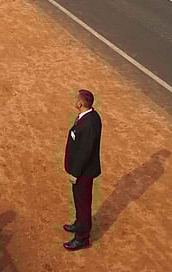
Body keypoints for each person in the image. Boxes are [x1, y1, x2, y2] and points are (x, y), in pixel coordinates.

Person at [63, 88, 101, 251]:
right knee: (79, 201)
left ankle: (82, 238)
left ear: (81, 103)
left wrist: (75, 173)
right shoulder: (90, 117)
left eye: (75, 98)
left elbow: (85, 151)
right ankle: (79, 224)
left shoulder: (89, 123)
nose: (74, 100)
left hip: (83, 172)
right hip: (81, 170)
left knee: (83, 203)